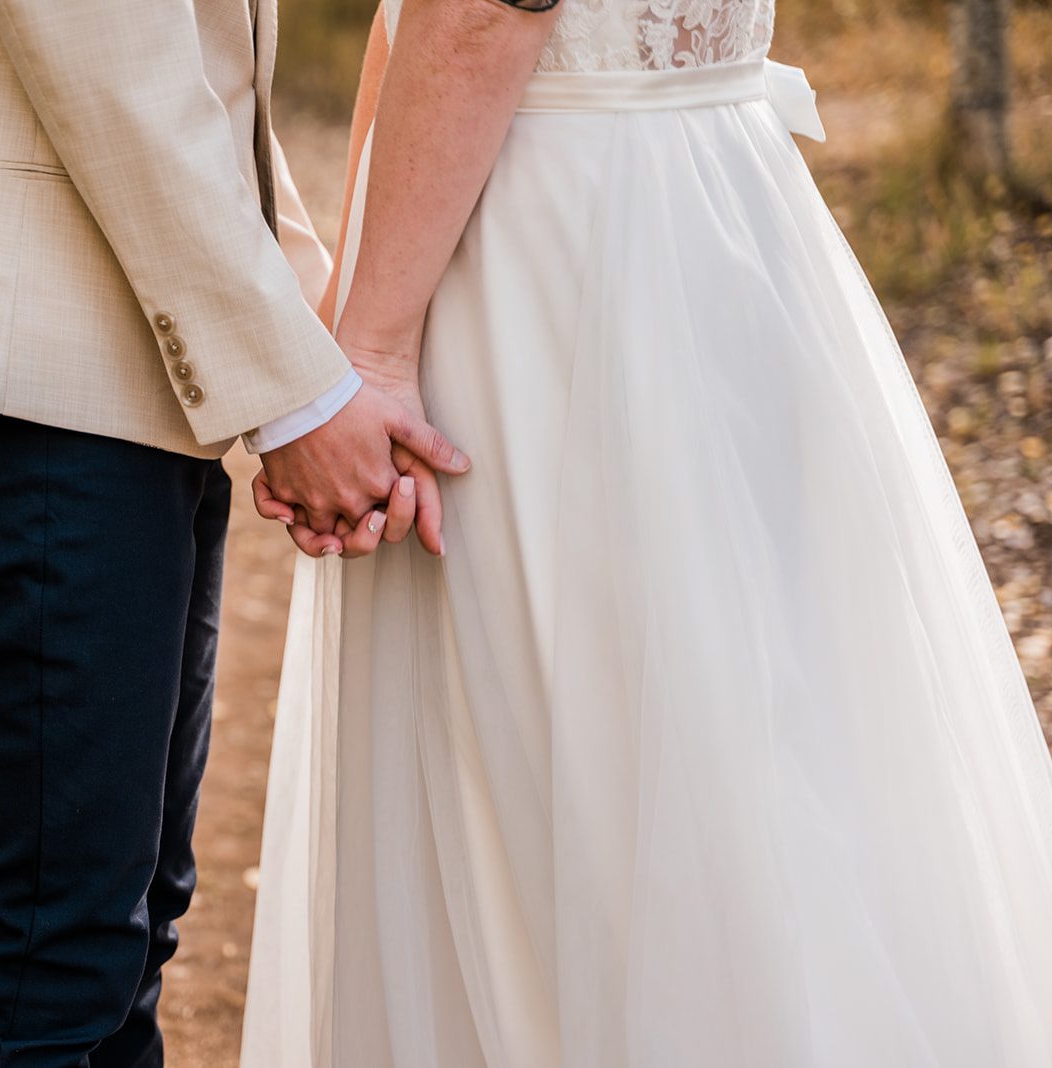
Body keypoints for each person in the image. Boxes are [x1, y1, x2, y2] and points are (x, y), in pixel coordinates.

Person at [244, 0, 1052, 1064]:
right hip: (709, 209)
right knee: (761, 730)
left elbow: (478, 11)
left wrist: (376, 347)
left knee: (590, 761)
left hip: (565, 239)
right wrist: (350, 315)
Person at [0, 1, 470, 1064]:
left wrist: (323, 356)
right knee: (51, 953)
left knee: (127, 930)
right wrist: (297, 396)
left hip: (115, 399)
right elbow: (117, 82)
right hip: (28, 398)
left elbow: (210, 115)